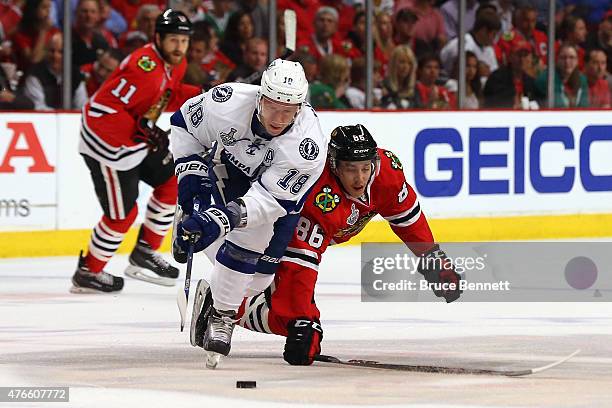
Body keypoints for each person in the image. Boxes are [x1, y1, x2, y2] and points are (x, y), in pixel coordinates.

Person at [189, 124, 462, 366]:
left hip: (303, 235)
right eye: (350, 169)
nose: (359, 179)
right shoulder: (316, 188)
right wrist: (303, 320)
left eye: (365, 168)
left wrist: (434, 260)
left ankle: (224, 303)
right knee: (295, 323)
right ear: (333, 165)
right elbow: (301, 264)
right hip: (267, 228)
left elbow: (408, 220)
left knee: (292, 322)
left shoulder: (387, 173)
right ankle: (226, 306)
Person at [170, 58, 328, 368]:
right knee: (248, 239)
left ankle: (216, 286)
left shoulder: (307, 145)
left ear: (299, 108)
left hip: (277, 200)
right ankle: (222, 316)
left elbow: (266, 202)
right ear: (259, 98)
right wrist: (192, 191)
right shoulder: (226, 102)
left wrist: (216, 221)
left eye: (288, 110)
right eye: (272, 106)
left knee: (257, 281)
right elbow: (184, 125)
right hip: (230, 172)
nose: (279, 117)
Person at [71, 10, 200, 293]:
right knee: (122, 215)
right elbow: (102, 110)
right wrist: (141, 131)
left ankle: (145, 250)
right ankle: (88, 272)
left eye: (183, 41)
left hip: (134, 138)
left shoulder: (173, 64)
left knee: (171, 183)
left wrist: (204, 94)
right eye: (173, 41)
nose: (179, 47)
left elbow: (169, 93)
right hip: (107, 144)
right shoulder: (144, 70)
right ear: (158, 39)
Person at [535, 43, 588, 108]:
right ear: (557, 60)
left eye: (571, 57)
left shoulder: (582, 80)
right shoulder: (547, 78)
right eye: (563, 58)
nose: (567, 62)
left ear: (577, 61)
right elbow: (558, 105)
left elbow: (584, 106)